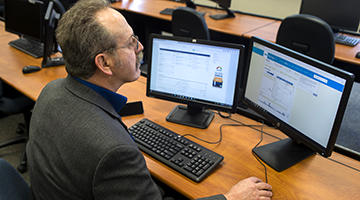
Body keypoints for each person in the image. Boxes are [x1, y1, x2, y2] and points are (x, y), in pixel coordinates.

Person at [26, 0, 273, 199]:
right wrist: (230, 198)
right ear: (104, 63)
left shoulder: (51, 90)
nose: (140, 46)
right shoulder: (114, 151)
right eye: (131, 42)